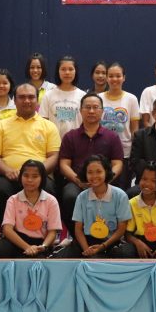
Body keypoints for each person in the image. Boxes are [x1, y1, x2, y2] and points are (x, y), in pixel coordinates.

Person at [0, 84, 61, 233]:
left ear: (37, 101)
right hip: (9, 176)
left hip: (40, 177)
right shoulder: (1, 125)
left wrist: (38, 173)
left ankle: (42, 234)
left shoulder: (49, 126)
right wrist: (7, 171)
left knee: (49, 190)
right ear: (14, 100)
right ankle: (9, 233)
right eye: (21, 97)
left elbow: (54, 156)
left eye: (31, 97)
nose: (27, 101)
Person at [58, 93, 125, 221]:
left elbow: (118, 164)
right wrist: (78, 180)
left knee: (118, 195)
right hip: (77, 182)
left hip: (105, 182)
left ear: (102, 111)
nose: (91, 111)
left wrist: (106, 179)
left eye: (95, 107)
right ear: (80, 111)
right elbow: (64, 164)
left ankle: (109, 231)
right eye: (87, 107)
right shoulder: (70, 136)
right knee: (69, 195)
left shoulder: (112, 137)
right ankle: (76, 232)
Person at [55, 155, 135, 259]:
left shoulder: (120, 195)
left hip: (111, 242)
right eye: (90, 172)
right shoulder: (82, 197)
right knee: (62, 257)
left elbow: (121, 229)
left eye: (99, 171)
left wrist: (102, 247)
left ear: (106, 172)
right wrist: (86, 250)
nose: (94, 176)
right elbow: (78, 229)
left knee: (126, 253)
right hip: (88, 241)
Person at [0, 160, 61, 258]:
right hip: (17, 242)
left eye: (35, 176)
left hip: (41, 244)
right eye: (26, 175)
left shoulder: (51, 201)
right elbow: (7, 229)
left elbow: (52, 232)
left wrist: (43, 246)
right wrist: (27, 247)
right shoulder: (13, 200)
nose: (29, 180)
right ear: (20, 177)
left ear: (42, 178)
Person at [99, 62, 141, 182]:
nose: (114, 79)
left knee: (122, 187)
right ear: (106, 78)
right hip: (102, 150)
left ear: (124, 78)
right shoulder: (99, 98)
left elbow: (134, 129)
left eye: (118, 76)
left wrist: (133, 152)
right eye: (111, 76)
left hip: (125, 152)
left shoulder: (131, 99)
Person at [41, 56, 86, 139]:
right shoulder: (48, 95)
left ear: (75, 71)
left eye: (70, 69)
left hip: (77, 142)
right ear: (58, 71)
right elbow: (43, 123)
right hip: (54, 143)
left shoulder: (83, 96)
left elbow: (86, 123)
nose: (67, 72)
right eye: (63, 69)